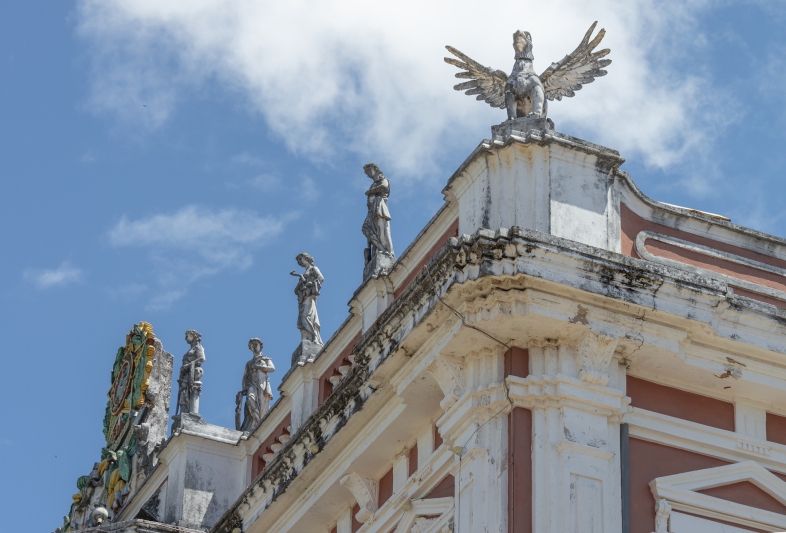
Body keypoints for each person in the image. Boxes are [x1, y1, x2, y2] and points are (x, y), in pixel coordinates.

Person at [237, 338, 275, 431]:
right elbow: (245, 377)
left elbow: (272, 368)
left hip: (262, 384)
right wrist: (244, 389)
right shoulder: (249, 363)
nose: (254, 347)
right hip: (252, 385)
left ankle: (261, 423)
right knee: (250, 400)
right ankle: (256, 422)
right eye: (252, 345)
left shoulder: (265, 359)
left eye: (255, 344)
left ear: (260, 346)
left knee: (262, 405)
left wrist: (259, 366)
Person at [290, 253, 324, 345]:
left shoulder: (313, 269)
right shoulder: (304, 274)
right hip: (302, 298)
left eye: (300, 259)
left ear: (306, 258)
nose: (299, 262)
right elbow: (295, 290)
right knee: (301, 318)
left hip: (309, 296)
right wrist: (301, 283)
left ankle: (314, 337)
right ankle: (306, 338)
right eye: (298, 261)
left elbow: (321, 278)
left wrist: (312, 287)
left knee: (306, 316)